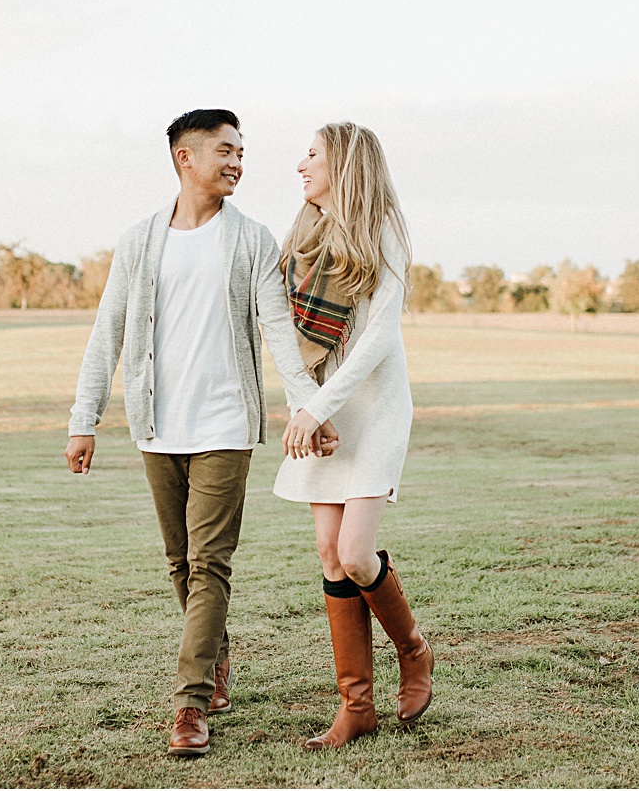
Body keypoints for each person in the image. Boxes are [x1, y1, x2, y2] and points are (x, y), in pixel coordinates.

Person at [64, 108, 339, 758]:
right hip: (158, 425)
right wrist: (84, 419)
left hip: (224, 425)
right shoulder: (139, 241)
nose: (238, 161)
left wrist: (310, 407)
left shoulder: (250, 239)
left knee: (210, 560)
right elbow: (108, 331)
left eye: (242, 150)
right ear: (185, 156)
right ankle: (213, 659)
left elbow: (277, 329)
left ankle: (190, 705)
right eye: (225, 149)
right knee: (180, 562)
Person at [273, 121, 434, 750]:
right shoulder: (303, 235)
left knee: (356, 554)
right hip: (323, 410)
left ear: (345, 165)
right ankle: (356, 708)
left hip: (374, 410)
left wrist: (320, 409)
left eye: (312, 155)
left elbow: (380, 337)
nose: (300, 165)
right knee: (326, 549)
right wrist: (307, 408)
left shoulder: (385, 228)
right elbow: (289, 340)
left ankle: (414, 650)